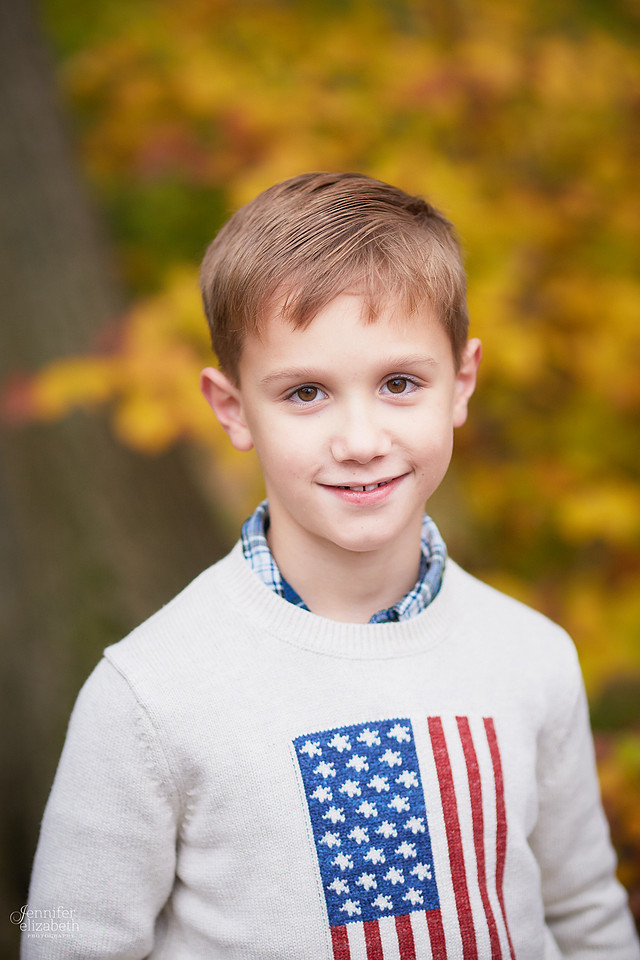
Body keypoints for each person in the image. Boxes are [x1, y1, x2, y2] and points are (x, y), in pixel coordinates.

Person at [24, 172, 639, 960]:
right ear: (233, 409)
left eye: (399, 384)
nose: (359, 438)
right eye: (307, 392)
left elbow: (585, 916)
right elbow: (69, 942)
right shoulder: (151, 694)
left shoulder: (531, 656)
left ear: (463, 383)